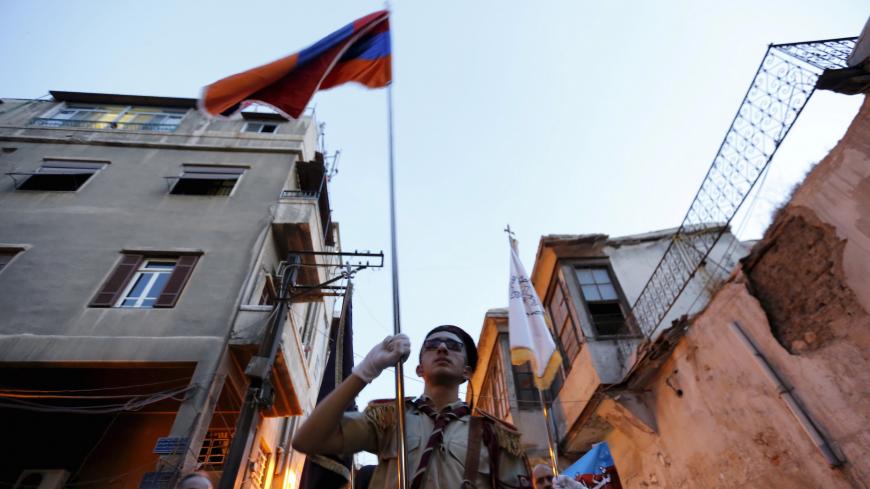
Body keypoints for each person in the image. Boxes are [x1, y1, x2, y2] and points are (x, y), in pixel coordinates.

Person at [293, 325, 532, 489]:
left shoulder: (495, 435)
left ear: (466, 372)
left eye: (453, 346)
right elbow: (307, 440)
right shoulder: (390, 418)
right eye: (431, 345)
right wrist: (365, 371)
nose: (442, 348)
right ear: (419, 369)